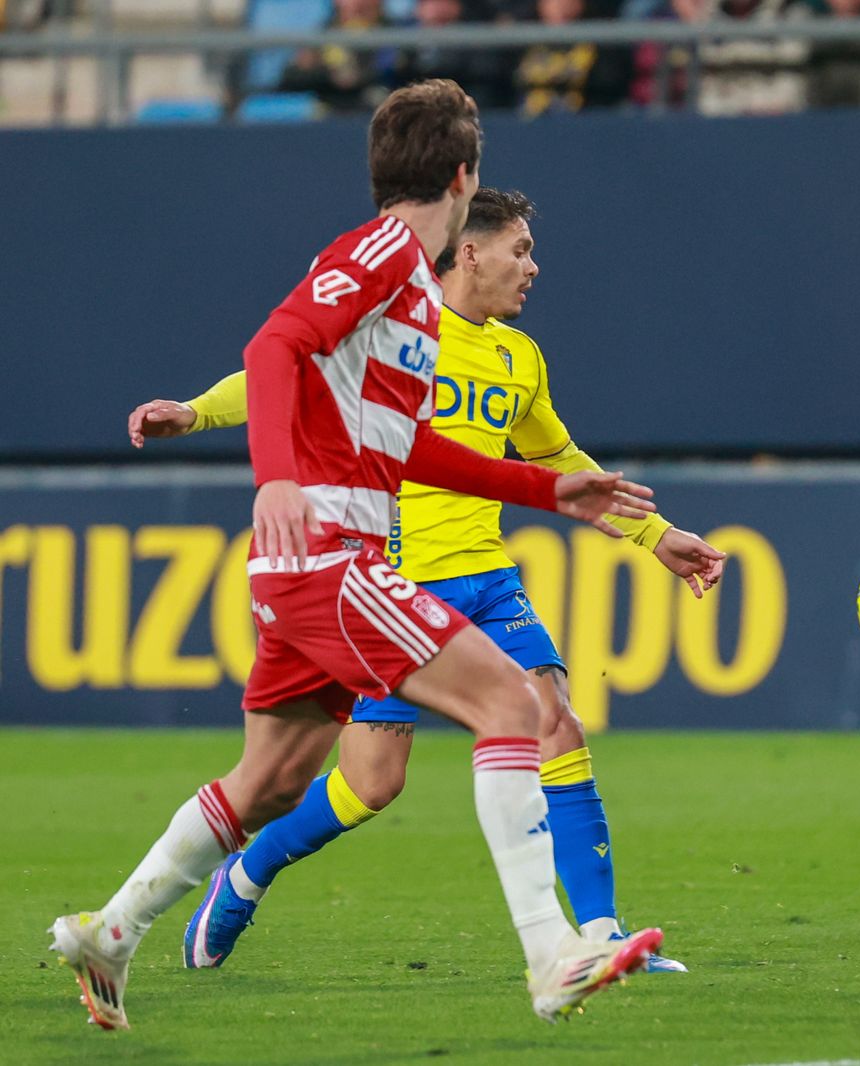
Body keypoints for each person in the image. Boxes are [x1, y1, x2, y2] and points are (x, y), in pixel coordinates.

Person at [52, 79, 666, 1031]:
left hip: (313, 561)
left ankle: (112, 929)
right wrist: (275, 478)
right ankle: (553, 955)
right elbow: (273, 348)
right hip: (328, 554)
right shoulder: (381, 253)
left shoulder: (408, 291)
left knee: (272, 780)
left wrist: (546, 488)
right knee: (513, 701)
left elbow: (402, 447)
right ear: (464, 178)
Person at [128, 186, 723, 977]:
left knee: (557, 724)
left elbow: (557, 460)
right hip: (391, 584)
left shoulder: (520, 357)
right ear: (470, 251)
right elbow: (292, 372)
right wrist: (195, 414)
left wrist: (656, 535)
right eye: (520, 250)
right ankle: (249, 868)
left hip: (486, 578)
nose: (532, 268)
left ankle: (602, 935)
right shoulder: (400, 324)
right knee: (372, 782)